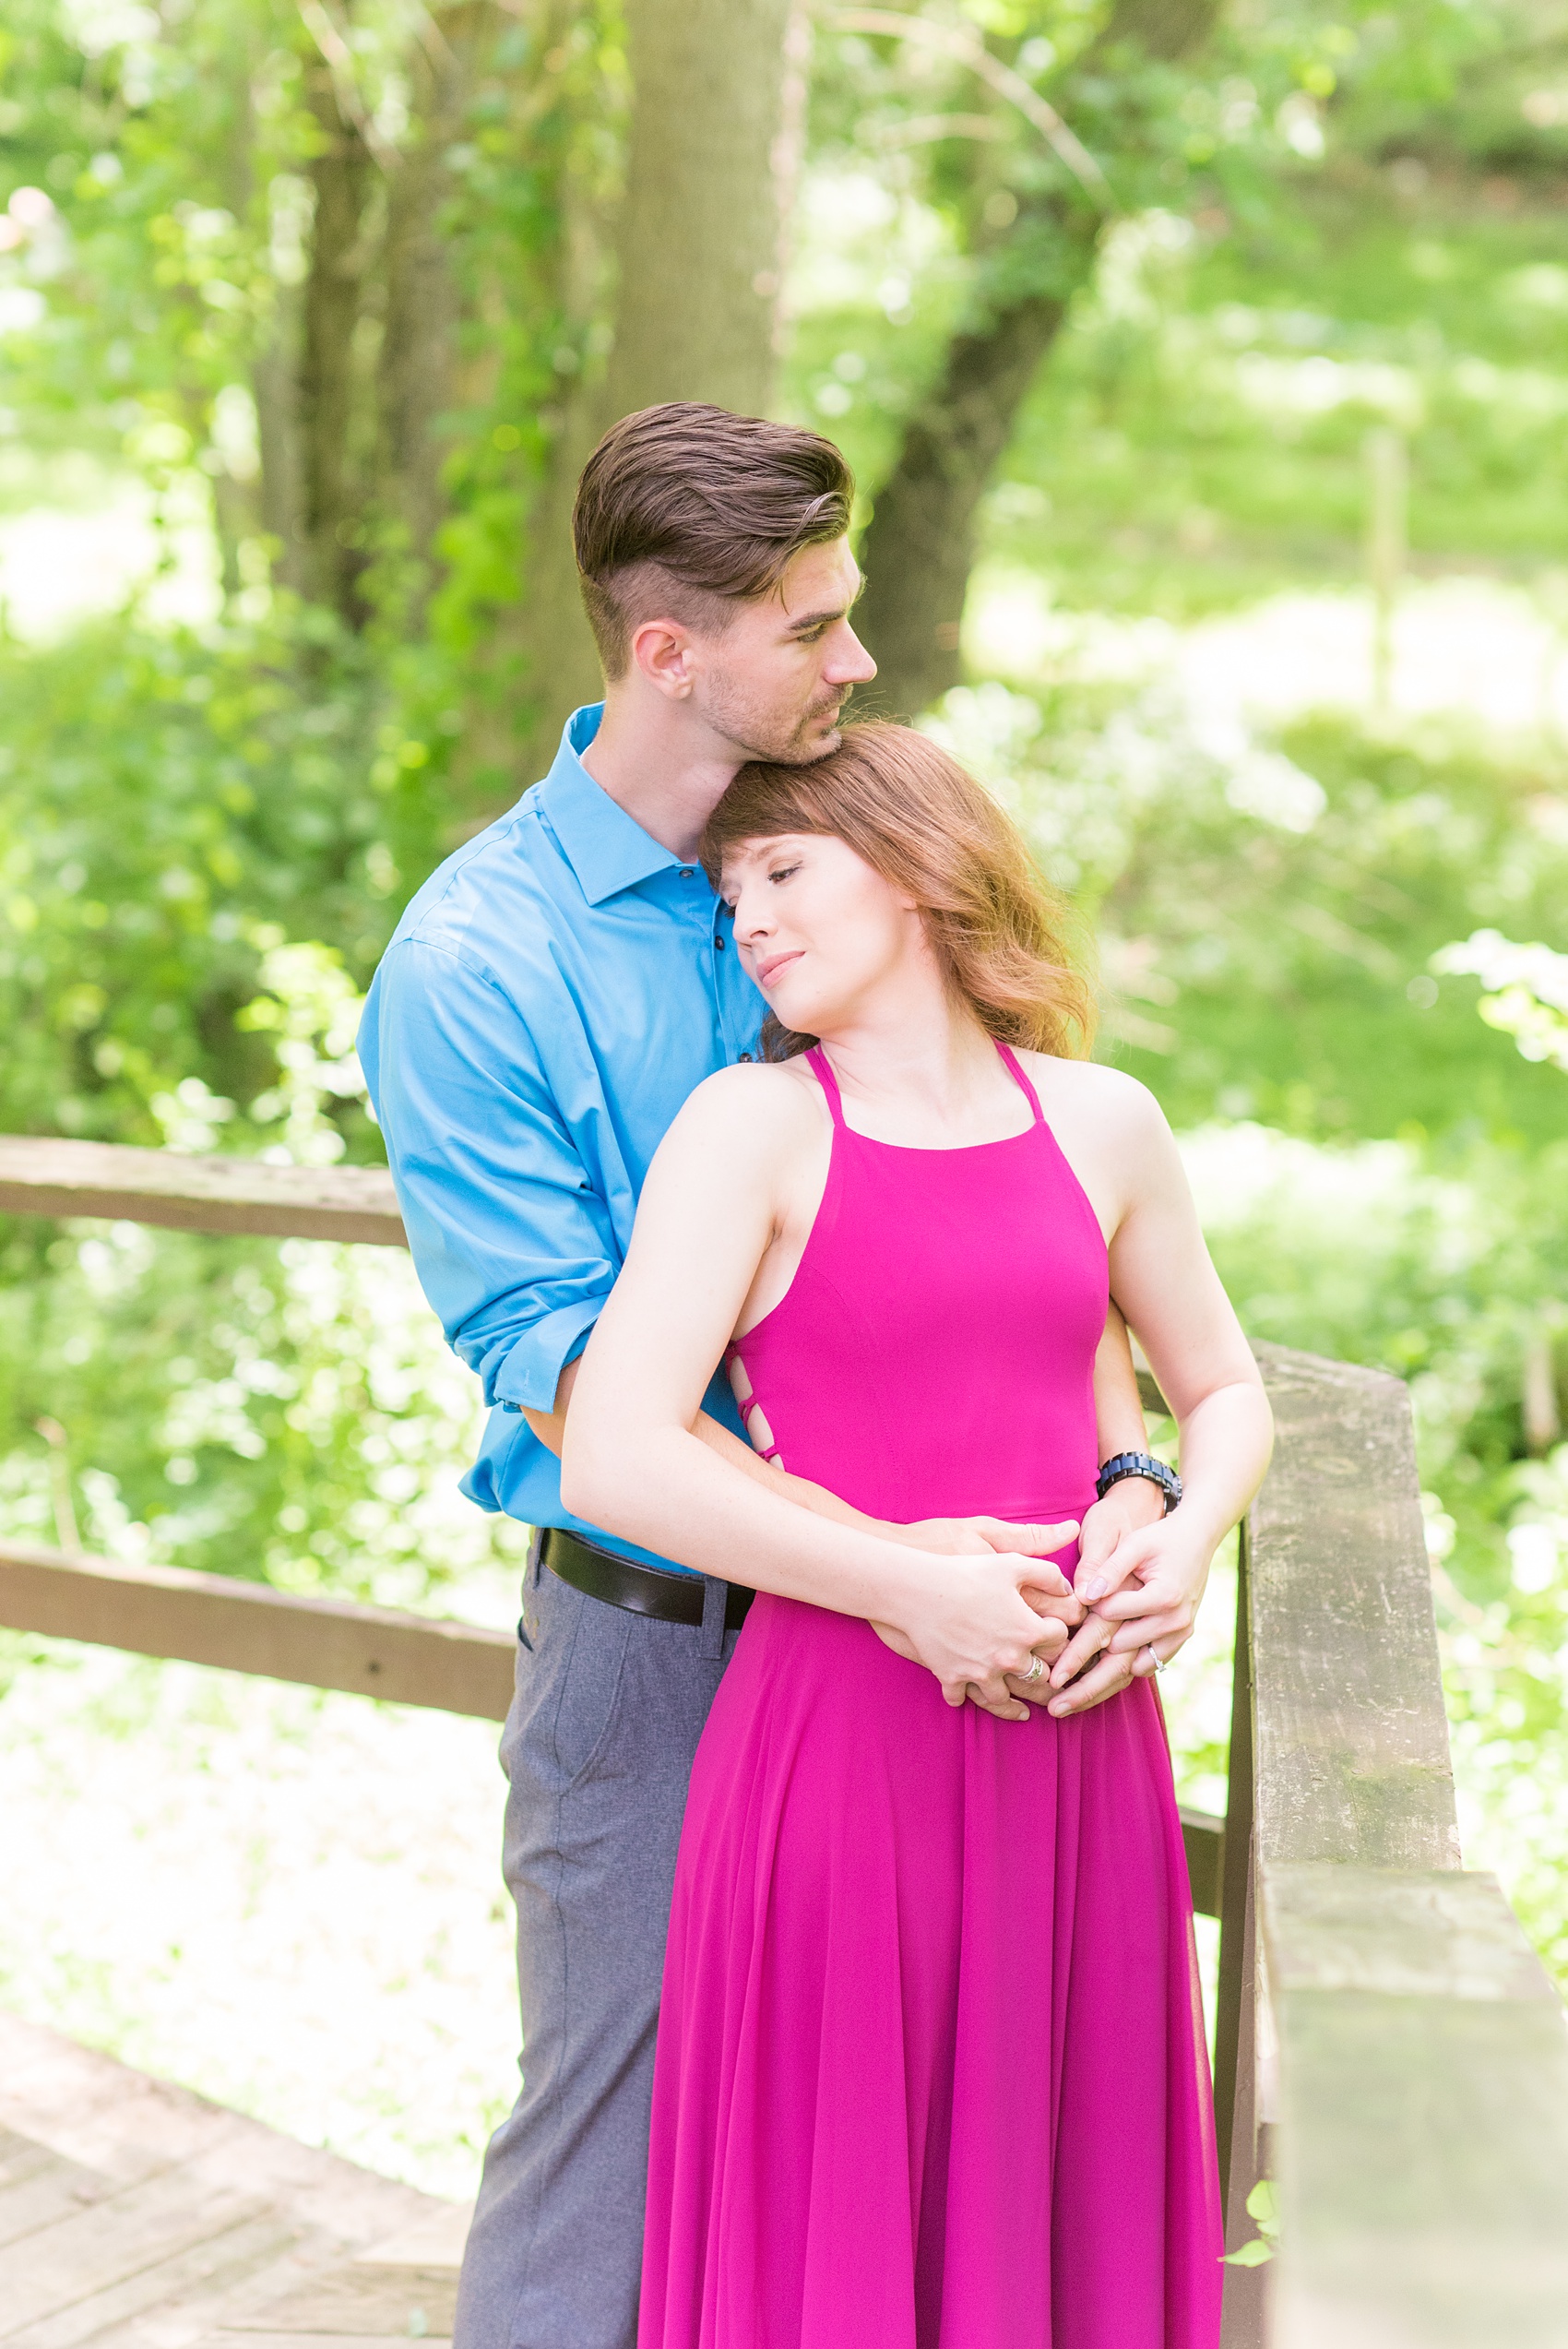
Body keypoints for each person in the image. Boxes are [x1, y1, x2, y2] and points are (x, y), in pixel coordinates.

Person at [360, 404, 1185, 2349]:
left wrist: (1128, 1472)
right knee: (615, 2154)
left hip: (963, 1635)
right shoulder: (478, 962)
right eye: (813, 625)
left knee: (937, 2155)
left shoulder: (840, 857)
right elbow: (567, 1380)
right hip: (671, 1646)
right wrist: (900, 1573)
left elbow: (1018, 1225)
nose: (856, 658)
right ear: (673, 651)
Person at [561, 721, 1275, 2348]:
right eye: (730, 888)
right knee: (842, 2235)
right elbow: (614, 1449)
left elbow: (1220, 1382)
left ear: (912, 863)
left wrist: (1178, 1525)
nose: (749, 915)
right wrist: (906, 1586)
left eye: (785, 868)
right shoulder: (749, 1129)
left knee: (1059, 2206)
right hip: (840, 1746)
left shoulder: (1102, 1119)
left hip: (1080, 1743)